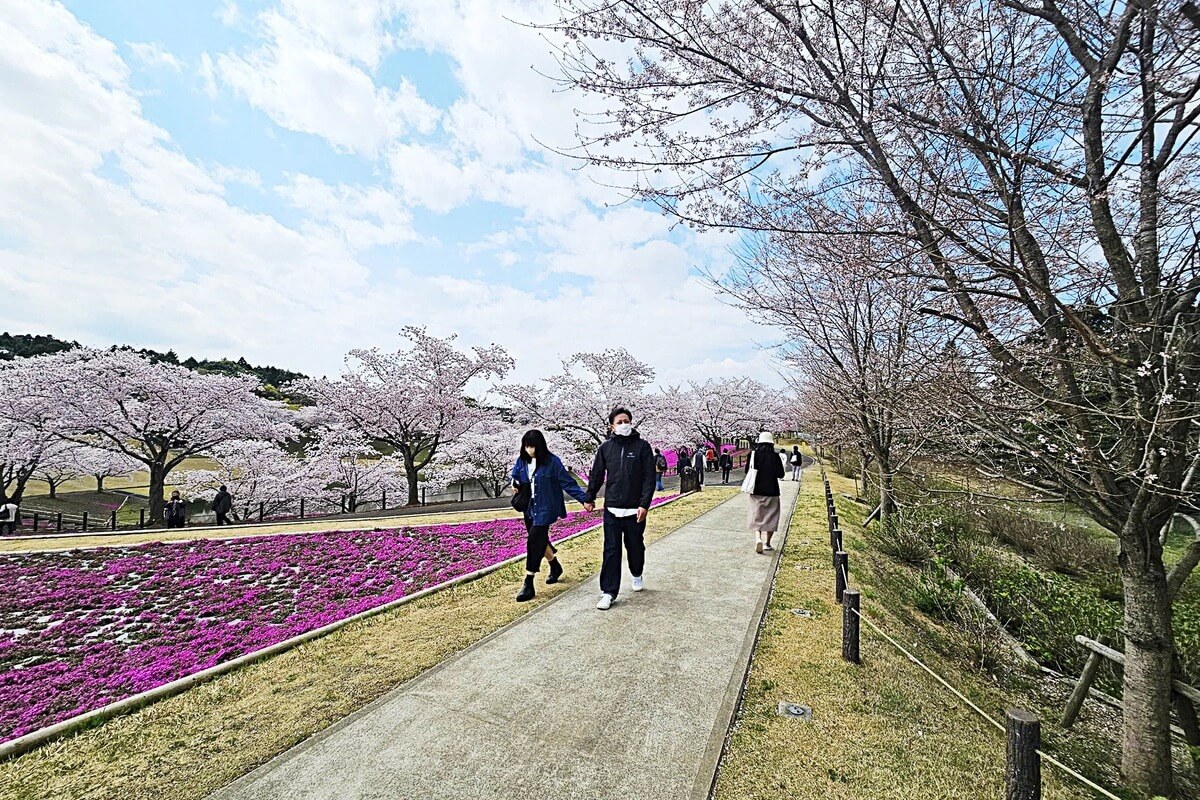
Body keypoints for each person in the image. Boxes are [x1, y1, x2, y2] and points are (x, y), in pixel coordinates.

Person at [510, 429, 592, 603]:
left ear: (539, 446)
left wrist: (584, 499)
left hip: (546, 507)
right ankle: (555, 565)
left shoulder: (552, 462)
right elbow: (515, 476)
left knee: (534, 540)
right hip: (529, 508)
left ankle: (529, 581)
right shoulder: (522, 461)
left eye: (532, 446)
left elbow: (567, 483)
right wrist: (515, 484)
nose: (529, 450)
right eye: (526, 446)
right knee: (539, 539)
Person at [586, 407, 656, 610]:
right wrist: (589, 497)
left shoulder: (642, 447)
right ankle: (608, 592)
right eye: (620, 422)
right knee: (611, 550)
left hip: (635, 510)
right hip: (612, 510)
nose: (624, 424)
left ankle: (636, 572)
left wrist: (644, 504)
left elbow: (649, 479)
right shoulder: (606, 448)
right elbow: (597, 474)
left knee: (635, 547)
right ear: (612, 426)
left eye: (627, 421)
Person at [747, 432, 785, 554]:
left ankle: (758, 538)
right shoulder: (775, 456)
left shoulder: (753, 455)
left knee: (757, 514)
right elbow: (781, 474)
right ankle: (767, 543)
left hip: (756, 490)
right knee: (771, 516)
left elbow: (747, 471)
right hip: (772, 490)